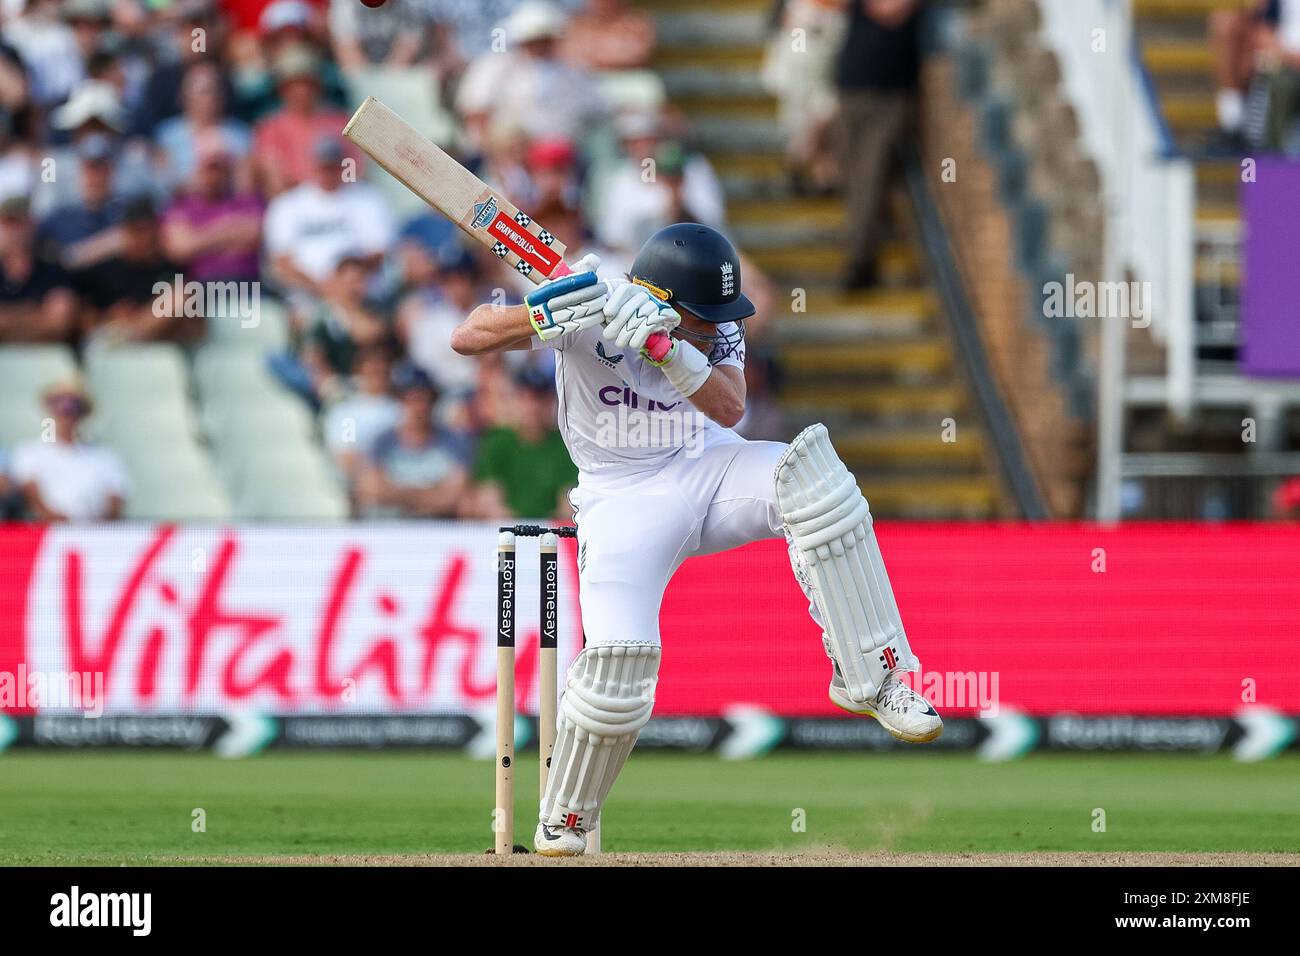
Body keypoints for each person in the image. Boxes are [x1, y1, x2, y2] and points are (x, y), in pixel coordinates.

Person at [450, 222, 942, 857]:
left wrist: (668, 347)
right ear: (661, 293)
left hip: (708, 466)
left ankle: (873, 678)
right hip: (619, 497)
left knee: (817, 481)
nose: (716, 327)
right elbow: (467, 337)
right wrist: (548, 310)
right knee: (618, 667)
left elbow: (731, 406)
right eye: (701, 317)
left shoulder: (712, 323)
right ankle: (565, 816)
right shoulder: (587, 308)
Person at [834, 0, 923, 289]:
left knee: (870, 177)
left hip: (890, 94)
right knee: (854, 177)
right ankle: (868, 242)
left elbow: (890, 10)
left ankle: (861, 259)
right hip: (852, 86)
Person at [355, 364, 470, 518]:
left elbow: (455, 497)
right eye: (409, 399)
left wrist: (396, 493)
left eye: (422, 399)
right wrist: (431, 493)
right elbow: (372, 491)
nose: (416, 407)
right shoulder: (382, 442)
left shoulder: (454, 443)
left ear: (433, 401)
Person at [11, 377, 130, 521]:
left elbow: (115, 501)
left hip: (94, 535)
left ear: (83, 412)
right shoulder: (29, 452)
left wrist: (92, 530)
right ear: (49, 409)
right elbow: (32, 497)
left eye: (73, 404)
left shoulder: (105, 456)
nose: (65, 409)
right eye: (58, 402)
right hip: (47, 534)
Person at [469, 365, 578, 520]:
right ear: (513, 401)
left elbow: (567, 503)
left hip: (549, 533)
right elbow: (488, 498)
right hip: (506, 530)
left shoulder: (565, 444)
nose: (532, 407)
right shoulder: (497, 441)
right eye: (524, 397)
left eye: (539, 398)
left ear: (551, 402)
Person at [0, 196, 78, 343]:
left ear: (32, 224)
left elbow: (58, 324)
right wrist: (34, 312)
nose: (14, 231)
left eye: (19, 223)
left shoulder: (52, 269)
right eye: (8, 223)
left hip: (44, 357)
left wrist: (6, 318)